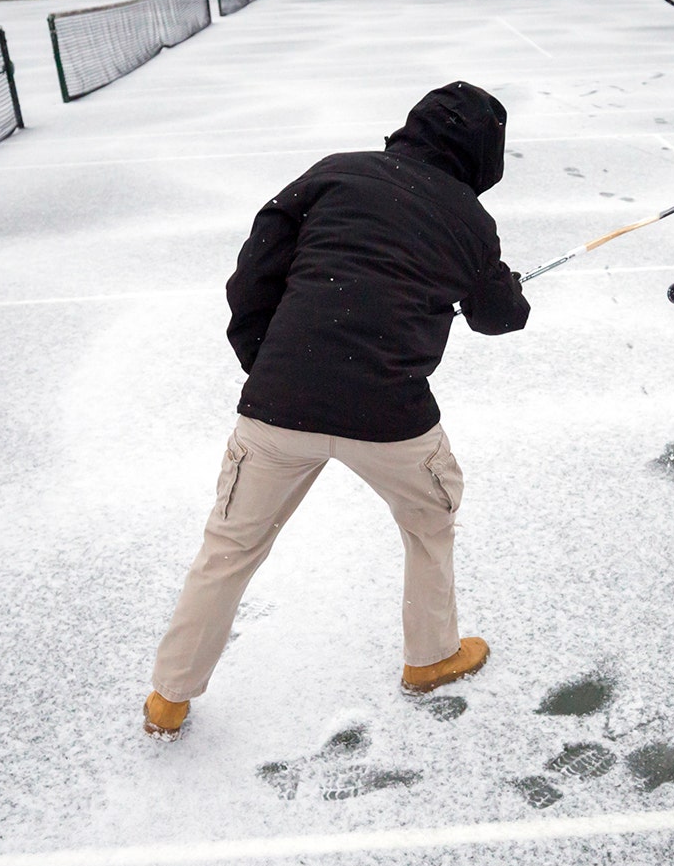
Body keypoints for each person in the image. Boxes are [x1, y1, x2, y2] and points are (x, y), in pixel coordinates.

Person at [143, 82, 532, 740]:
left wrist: (267, 360)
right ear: (483, 155)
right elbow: (499, 318)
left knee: (230, 545)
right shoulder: (469, 220)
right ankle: (432, 656)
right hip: (390, 414)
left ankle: (169, 700)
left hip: (279, 406)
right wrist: (507, 290)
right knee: (430, 518)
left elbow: (254, 271)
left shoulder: (336, 173)